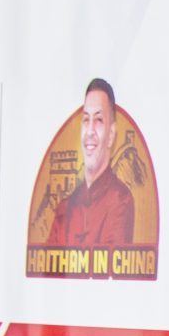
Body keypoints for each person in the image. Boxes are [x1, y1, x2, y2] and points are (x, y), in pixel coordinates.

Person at [44, 79, 137, 248]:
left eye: (99, 120)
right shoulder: (65, 207)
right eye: (86, 120)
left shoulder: (120, 200)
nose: (90, 131)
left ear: (111, 134)